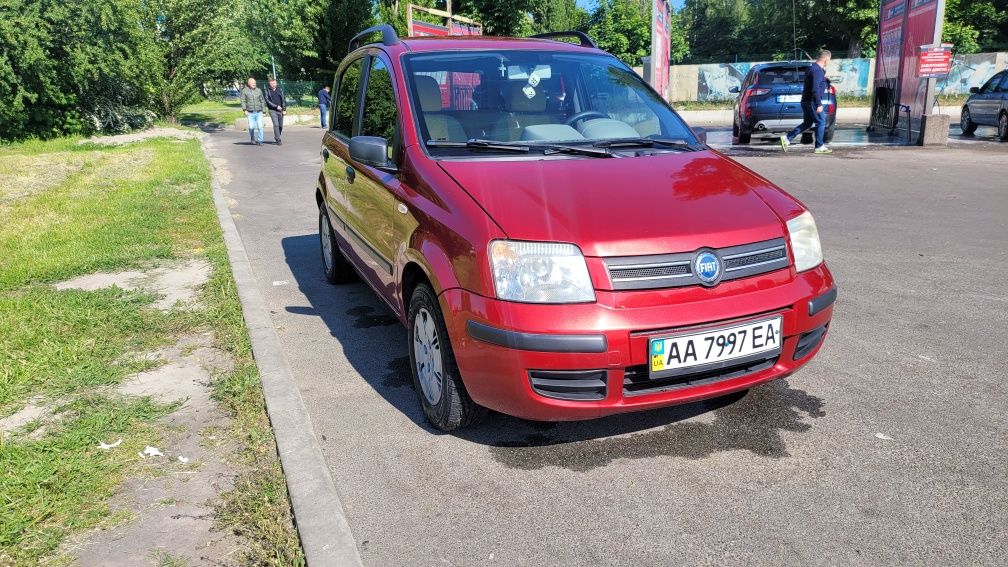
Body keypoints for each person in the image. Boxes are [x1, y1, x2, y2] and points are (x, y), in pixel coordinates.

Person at [780, 50, 832, 155]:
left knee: (807, 123)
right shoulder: (817, 71)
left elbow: (814, 82)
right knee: (821, 122)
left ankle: (787, 138)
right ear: (826, 59)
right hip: (813, 102)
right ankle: (819, 146)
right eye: (829, 60)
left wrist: (824, 79)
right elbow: (815, 88)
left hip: (806, 100)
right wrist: (819, 104)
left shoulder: (812, 68)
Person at [240, 77, 266, 146]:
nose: (254, 84)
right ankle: (252, 138)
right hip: (250, 112)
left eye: (255, 83)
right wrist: (244, 110)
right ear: (249, 84)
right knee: (251, 127)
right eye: (252, 83)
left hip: (259, 112)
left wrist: (264, 111)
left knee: (260, 127)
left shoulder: (259, 90)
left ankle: (260, 141)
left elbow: (262, 101)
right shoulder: (245, 91)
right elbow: (243, 100)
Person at [264, 78, 286, 145]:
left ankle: (277, 135)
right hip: (272, 110)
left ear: (276, 83)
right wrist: (276, 106)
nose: (273, 84)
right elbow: (267, 101)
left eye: (274, 83)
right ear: (270, 84)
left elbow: (283, 99)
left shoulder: (280, 90)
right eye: (272, 83)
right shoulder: (267, 91)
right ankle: (278, 139)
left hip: (280, 110)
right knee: (276, 124)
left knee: (280, 126)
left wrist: (284, 109)